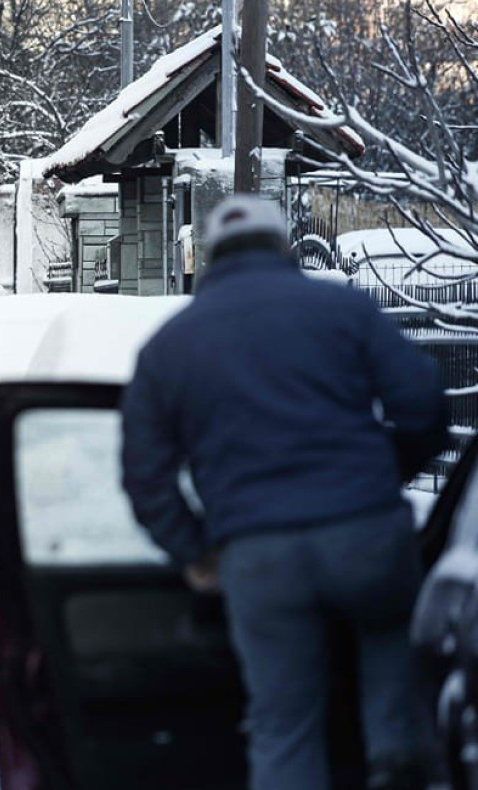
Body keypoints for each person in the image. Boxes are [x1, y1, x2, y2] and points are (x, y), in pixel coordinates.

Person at [120, 196, 447, 790]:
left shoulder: (171, 345)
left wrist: (196, 550)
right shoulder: (343, 309)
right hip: (367, 534)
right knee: (393, 678)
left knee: (282, 723)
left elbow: (145, 473)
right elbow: (425, 405)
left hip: (258, 553)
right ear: (282, 248)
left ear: (212, 257)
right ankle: (398, 758)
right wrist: (380, 477)